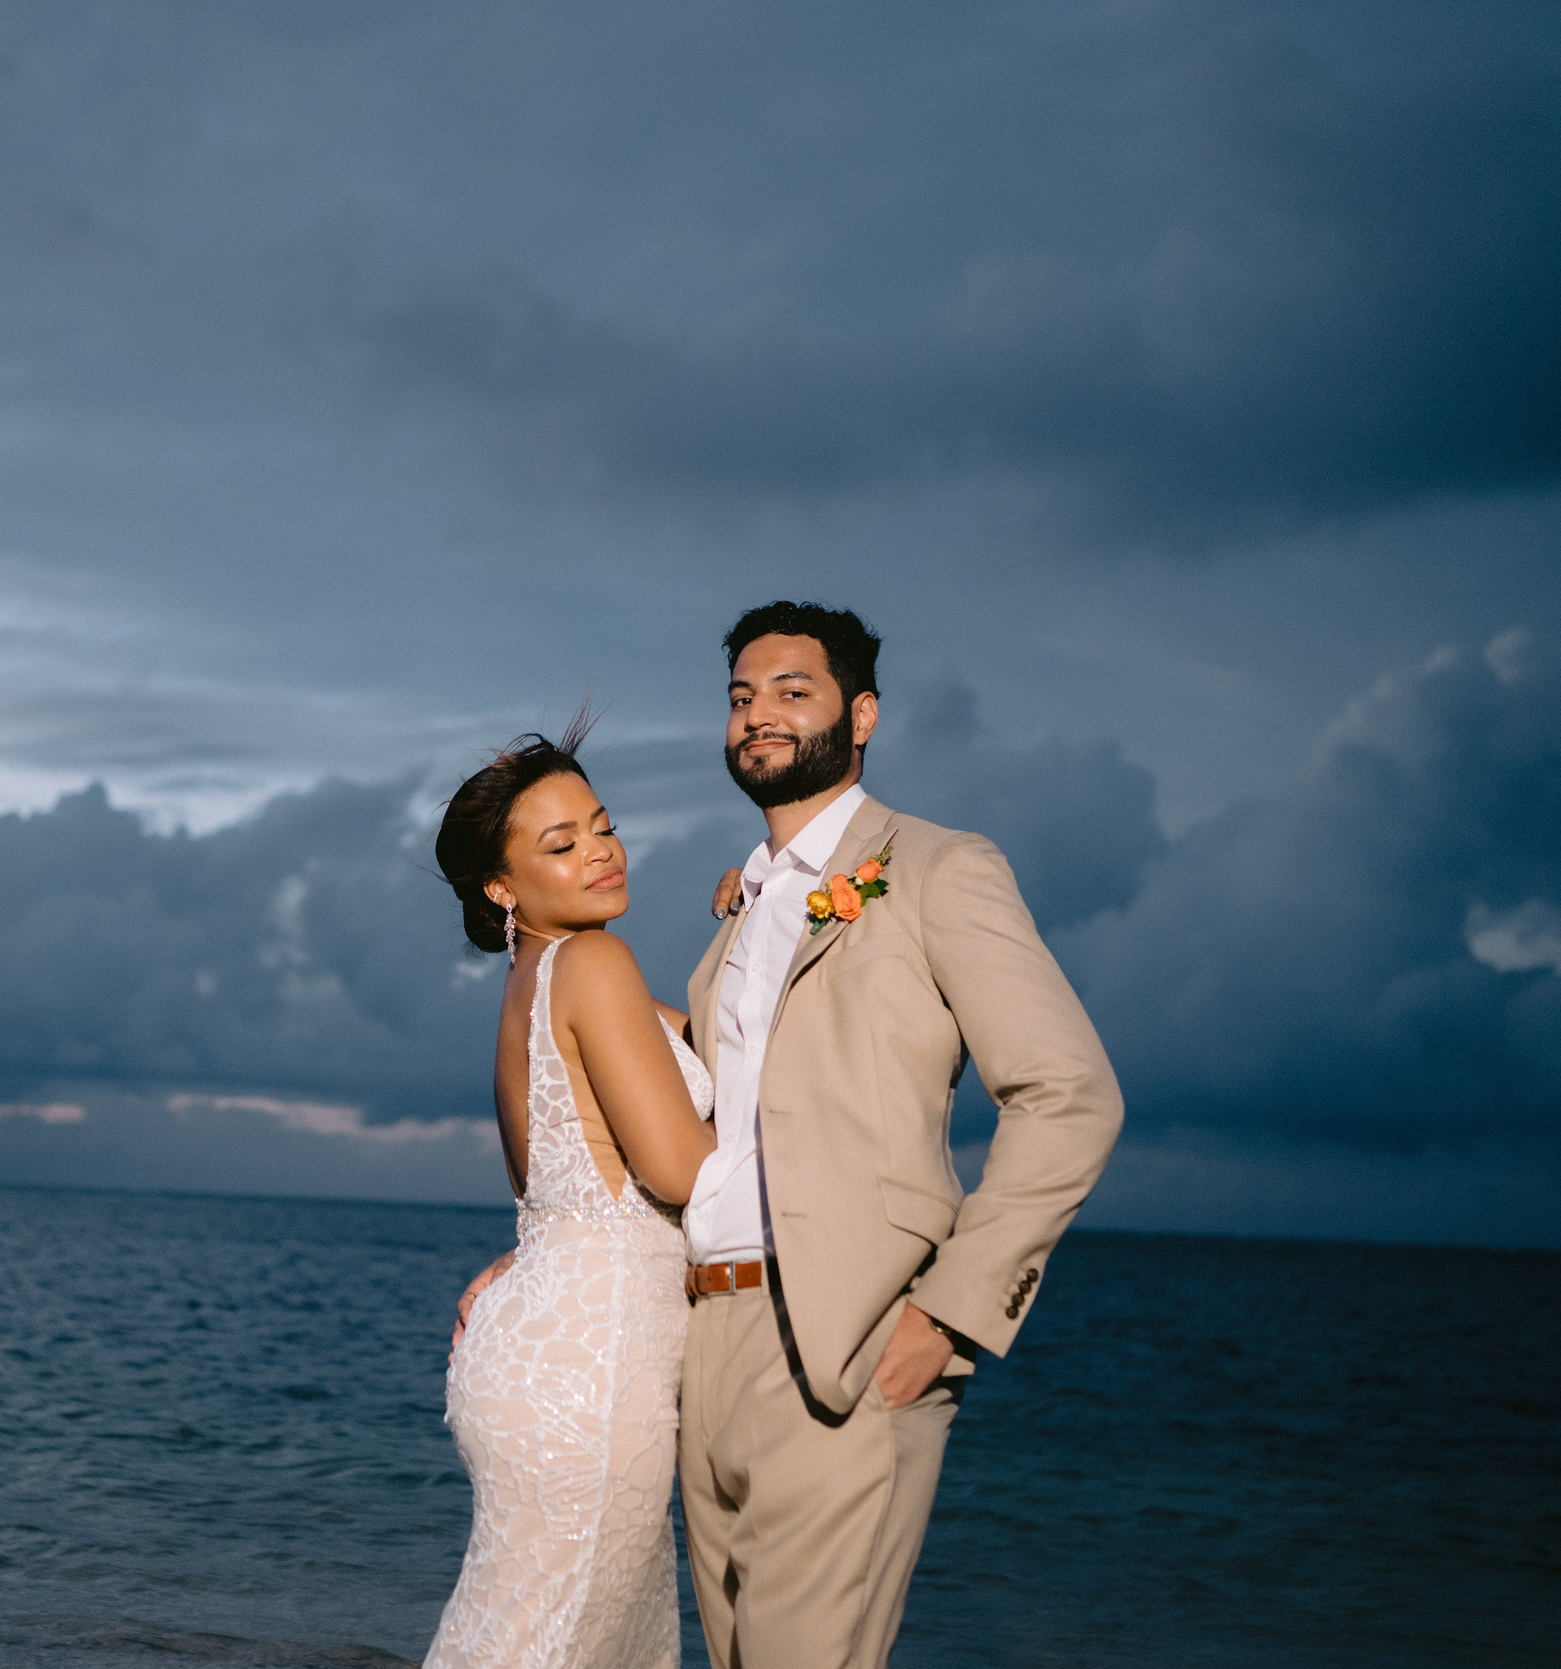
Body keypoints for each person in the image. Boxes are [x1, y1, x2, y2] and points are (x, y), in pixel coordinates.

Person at [675, 600, 1125, 1668]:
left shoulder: (934, 867)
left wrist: (949, 1313)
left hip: (850, 1342)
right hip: (707, 1341)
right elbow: (725, 1115)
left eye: (793, 690)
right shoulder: (740, 907)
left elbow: (1069, 1092)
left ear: (861, 713)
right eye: (742, 697)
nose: (758, 716)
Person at [423, 719, 717, 1669]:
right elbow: (679, 1173)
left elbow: (560, 1186)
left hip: (542, 1354)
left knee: (534, 1634)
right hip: (591, 1380)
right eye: (562, 845)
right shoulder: (593, 964)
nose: (600, 852)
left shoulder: (530, 986)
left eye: (601, 824)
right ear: (501, 888)